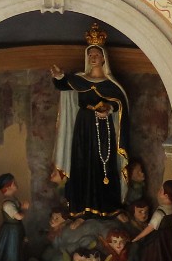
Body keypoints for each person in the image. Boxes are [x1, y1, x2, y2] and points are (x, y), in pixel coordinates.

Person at [50, 23, 131, 221]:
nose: (93, 58)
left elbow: (122, 105)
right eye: (90, 55)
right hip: (83, 127)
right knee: (81, 164)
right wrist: (59, 77)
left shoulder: (112, 85)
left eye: (96, 54)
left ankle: (110, 208)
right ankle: (81, 209)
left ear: (104, 58)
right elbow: (63, 85)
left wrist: (109, 109)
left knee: (105, 165)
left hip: (104, 129)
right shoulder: (80, 79)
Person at [134, 180, 172, 261]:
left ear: (165, 195)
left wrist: (137, 238)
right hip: (169, 238)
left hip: (157, 241)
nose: (158, 193)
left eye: (160, 191)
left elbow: (150, 228)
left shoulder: (160, 211)